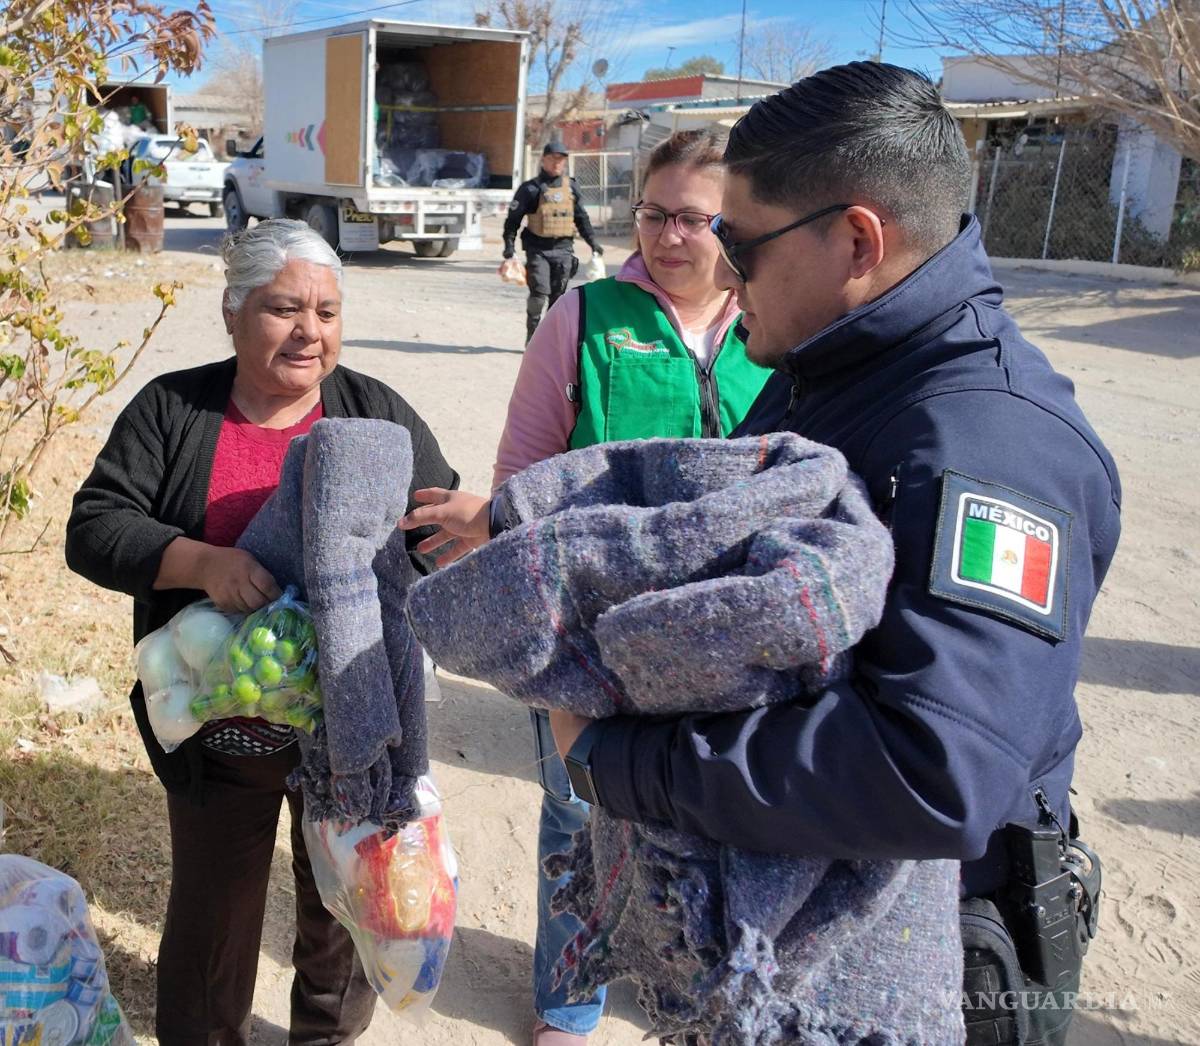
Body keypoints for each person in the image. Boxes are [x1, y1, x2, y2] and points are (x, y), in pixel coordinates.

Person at [408, 64, 1121, 1046]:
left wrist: (618, 759)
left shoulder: (994, 447)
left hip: (915, 966)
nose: (719, 268)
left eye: (737, 242)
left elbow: (932, 771)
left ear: (858, 242)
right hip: (779, 934)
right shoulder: (825, 365)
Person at [65, 218, 459, 1046]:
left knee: (344, 910)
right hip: (225, 729)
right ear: (234, 311)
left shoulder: (375, 413)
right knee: (216, 912)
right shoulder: (174, 410)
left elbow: (436, 526)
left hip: (349, 735)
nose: (309, 331)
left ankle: (324, 1037)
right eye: (284, 308)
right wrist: (201, 564)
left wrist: (384, 593)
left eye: (327, 310)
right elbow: (95, 526)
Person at [424, 130, 770, 1046]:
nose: (668, 236)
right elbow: (523, 478)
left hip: (736, 636)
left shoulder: (780, 326)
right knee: (579, 815)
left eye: (694, 218)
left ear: (738, 224)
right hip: (597, 632)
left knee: (725, 819)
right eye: (654, 213)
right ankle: (570, 1003)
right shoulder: (583, 317)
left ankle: (698, 993)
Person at [503, 140, 603, 343]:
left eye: (561, 159)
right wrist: (509, 247)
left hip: (564, 250)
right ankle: (532, 337)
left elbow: (581, 218)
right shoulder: (530, 189)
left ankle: (549, 342)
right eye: (553, 158)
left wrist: (593, 243)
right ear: (543, 160)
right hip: (538, 250)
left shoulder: (572, 188)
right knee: (539, 295)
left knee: (558, 301)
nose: (557, 163)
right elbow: (513, 221)